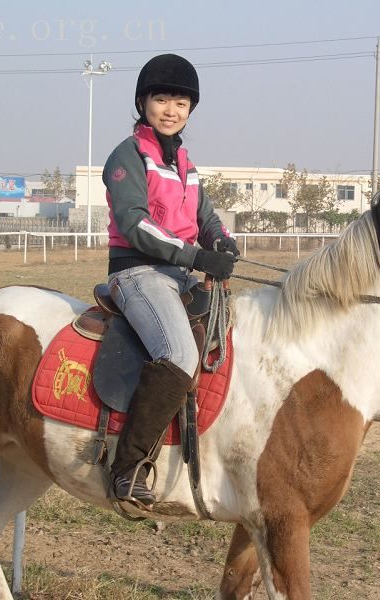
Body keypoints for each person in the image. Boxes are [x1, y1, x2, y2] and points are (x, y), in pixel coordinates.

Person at [102, 53, 239, 508]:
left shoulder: (184, 161)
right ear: (143, 102)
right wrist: (195, 254)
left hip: (178, 275)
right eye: (162, 99)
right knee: (179, 353)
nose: (171, 109)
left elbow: (205, 216)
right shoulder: (127, 155)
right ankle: (128, 469)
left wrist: (220, 242)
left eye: (181, 102)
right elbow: (135, 222)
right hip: (139, 272)